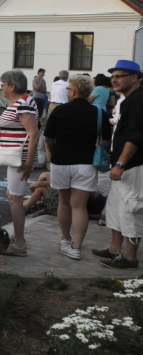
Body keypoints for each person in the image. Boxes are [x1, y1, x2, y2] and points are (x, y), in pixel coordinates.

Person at [42, 74, 111, 260]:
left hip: (61, 161)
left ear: (72, 91)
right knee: (79, 206)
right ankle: (77, 248)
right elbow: (105, 142)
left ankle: (65, 240)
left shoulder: (59, 111)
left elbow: (48, 138)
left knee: (64, 202)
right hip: (86, 163)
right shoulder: (99, 113)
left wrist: (50, 153)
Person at [93, 60, 143, 269]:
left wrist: (121, 163)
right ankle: (115, 248)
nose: (115, 79)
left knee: (132, 209)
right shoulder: (127, 99)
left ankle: (130, 257)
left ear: (135, 78)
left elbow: (136, 136)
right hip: (122, 164)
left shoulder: (138, 100)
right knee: (115, 208)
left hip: (133, 166)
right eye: (113, 76)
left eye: (120, 76)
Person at [0, 69, 40, 256]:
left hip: (19, 159)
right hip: (15, 158)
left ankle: (20, 243)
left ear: (12, 86)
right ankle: (18, 237)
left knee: (15, 199)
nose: (1, 88)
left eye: (3, 84)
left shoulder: (23, 104)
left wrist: (29, 162)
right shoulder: (21, 102)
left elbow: (34, 133)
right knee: (13, 196)